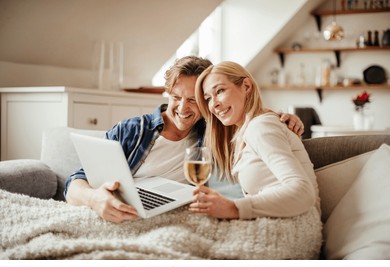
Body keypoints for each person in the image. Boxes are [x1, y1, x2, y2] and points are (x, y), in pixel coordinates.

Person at [65, 56, 305, 223]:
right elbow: (75, 181)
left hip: (172, 215)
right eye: (176, 97)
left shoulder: (212, 131)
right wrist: (93, 198)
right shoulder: (133, 130)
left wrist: (284, 117)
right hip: (119, 209)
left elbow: (248, 116)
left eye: (193, 100)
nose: (182, 108)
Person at [191, 61, 320, 220]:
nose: (214, 104)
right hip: (280, 222)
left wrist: (233, 208)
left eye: (220, 91)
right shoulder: (247, 130)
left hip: (294, 226)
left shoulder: (261, 127)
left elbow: (303, 193)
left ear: (246, 86)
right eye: (208, 98)